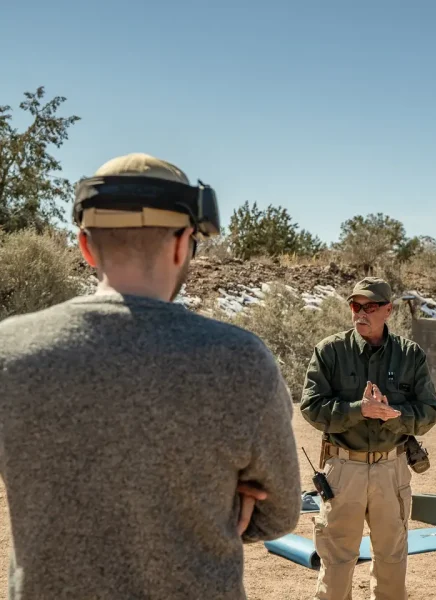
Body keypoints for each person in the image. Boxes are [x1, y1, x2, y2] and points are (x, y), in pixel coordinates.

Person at [0, 153, 302, 599]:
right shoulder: (239, 361)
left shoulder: (11, 350)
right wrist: (216, 492)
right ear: (182, 245)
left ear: (86, 246)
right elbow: (279, 516)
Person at [300, 277, 436, 600]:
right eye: (355, 306)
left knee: (392, 562)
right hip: (342, 470)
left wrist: (395, 416)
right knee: (336, 563)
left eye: (370, 307)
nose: (360, 313)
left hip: (391, 470)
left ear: (388, 310)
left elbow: (430, 411)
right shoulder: (330, 352)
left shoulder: (409, 355)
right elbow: (311, 407)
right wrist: (358, 410)